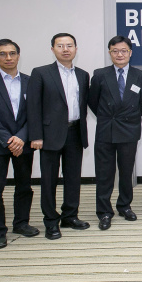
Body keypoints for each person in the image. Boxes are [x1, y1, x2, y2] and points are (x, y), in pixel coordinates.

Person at [0, 39, 39, 249]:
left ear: (19, 56)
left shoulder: (31, 81)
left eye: (12, 53)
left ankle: (21, 223)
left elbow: (34, 114)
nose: (8, 58)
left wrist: (21, 136)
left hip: (23, 142)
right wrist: (8, 139)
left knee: (24, 186)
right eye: (3, 54)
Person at [27, 33, 90, 239]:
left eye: (69, 45)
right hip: (48, 135)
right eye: (60, 46)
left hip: (75, 132)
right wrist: (36, 135)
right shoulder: (41, 73)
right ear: (52, 49)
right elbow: (33, 107)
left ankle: (70, 216)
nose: (65, 49)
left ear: (76, 49)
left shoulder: (82, 74)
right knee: (49, 180)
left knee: (73, 178)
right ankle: (51, 221)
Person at [88, 36, 142, 231]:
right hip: (106, 129)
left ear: (130, 53)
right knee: (104, 174)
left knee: (126, 171)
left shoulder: (141, 76)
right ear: (110, 53)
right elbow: (93, 102)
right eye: (115, 51)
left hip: (129, 129)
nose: (119, 54)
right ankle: (104, 211)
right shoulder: (99, 74)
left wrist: (127, 118)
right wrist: (108, 117)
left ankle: (124, 206)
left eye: (123, 51)